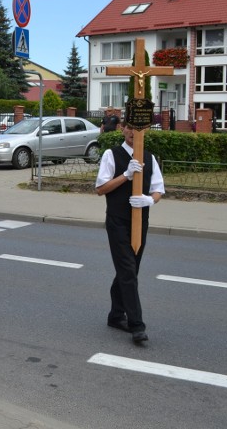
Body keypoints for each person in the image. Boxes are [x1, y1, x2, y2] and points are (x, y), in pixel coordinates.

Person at [95, 119, 165, 344]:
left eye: (138, 129)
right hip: (117, 221)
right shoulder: (111, 155)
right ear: (123, 129)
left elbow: (158, 190)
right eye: (129, 127)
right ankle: (137, 325)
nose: (133, 132)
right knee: (127, 270)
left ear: (144, 131)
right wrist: (125, 175)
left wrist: (149, 201)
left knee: (130, 270)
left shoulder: (150, 158)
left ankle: (116, 315)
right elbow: (100, 188)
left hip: (140, 220)